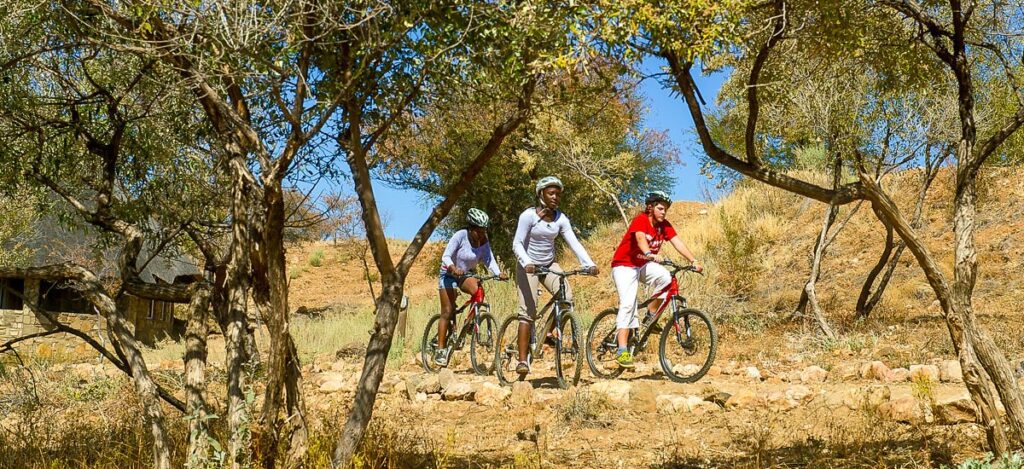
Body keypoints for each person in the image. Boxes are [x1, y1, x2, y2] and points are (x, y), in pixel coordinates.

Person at [512, 176, 599, 376]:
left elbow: (574, 243)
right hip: (528, 266)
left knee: (566, 298)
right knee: (528, 312)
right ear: (540, 194)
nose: (555, 197)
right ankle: (523, 360)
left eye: (558, 194)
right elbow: (517, 243)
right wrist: (527, 263)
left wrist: (589, 264)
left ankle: (550, 331)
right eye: (551, 193)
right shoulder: (528, 216)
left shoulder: (561, 219)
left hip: (549, 264)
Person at [610, 191, 703, 369]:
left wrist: (693, 261)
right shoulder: (641, 220)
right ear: (651, 207)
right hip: (624, 265)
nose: (663, 212)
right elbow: (639, 238)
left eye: (666, 209)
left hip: (643, 264)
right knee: (628, 304)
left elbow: (678, 242)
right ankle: (621, 350)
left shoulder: (664, 225)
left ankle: (650, 317)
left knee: (666, 279)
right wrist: (648, 253)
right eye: (660, 208)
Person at [435, 208, 507, 366]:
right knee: (447, 311)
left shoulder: (484, 240)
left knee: (478, 291)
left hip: (464, 274)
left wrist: (498, 273)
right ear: (471, 228)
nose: (481, 234)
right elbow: (446, 256)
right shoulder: (460, 236)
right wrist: (453, 268)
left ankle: (469, 323)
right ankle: (440, 349)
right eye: (478, 231)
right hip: (448, 273)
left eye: (484, 231)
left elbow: (489, 259)